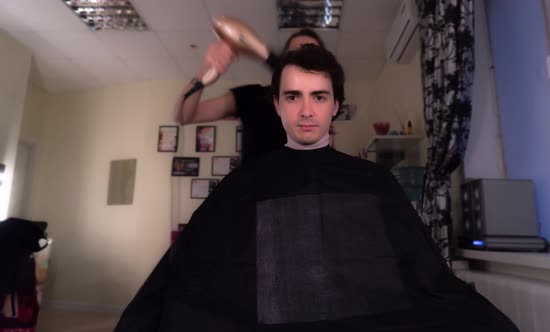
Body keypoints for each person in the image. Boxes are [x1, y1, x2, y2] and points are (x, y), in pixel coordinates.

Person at [116, 45, 518, 331]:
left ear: (335, 105)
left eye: (318, 97)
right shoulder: (241, 186)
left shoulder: (373, 182)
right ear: (276, 105)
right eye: (293, 97)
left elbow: (423, 276)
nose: (306, 110)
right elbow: (191, 276)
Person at [174, 28, 326, 163]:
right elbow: (183, 115)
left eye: (312, 54)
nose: (304, 60)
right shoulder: (252, 96)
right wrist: (205, 73)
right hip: (255, 193)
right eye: (296, 53)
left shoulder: (325, 103)